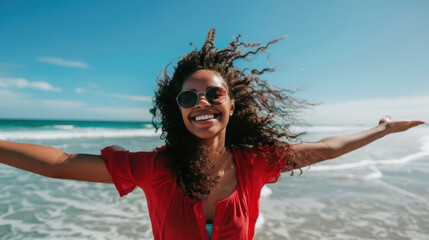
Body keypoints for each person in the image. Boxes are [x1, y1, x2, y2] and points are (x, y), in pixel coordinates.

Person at [0, 29, 424, 240]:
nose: (202, 102)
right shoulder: (155, 167)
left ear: (231, 103)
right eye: (189, 98)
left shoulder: (256, 162)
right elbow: (59, 164)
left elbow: (328, 148)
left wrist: (381, 130)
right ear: (179, 110)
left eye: (213, 93)